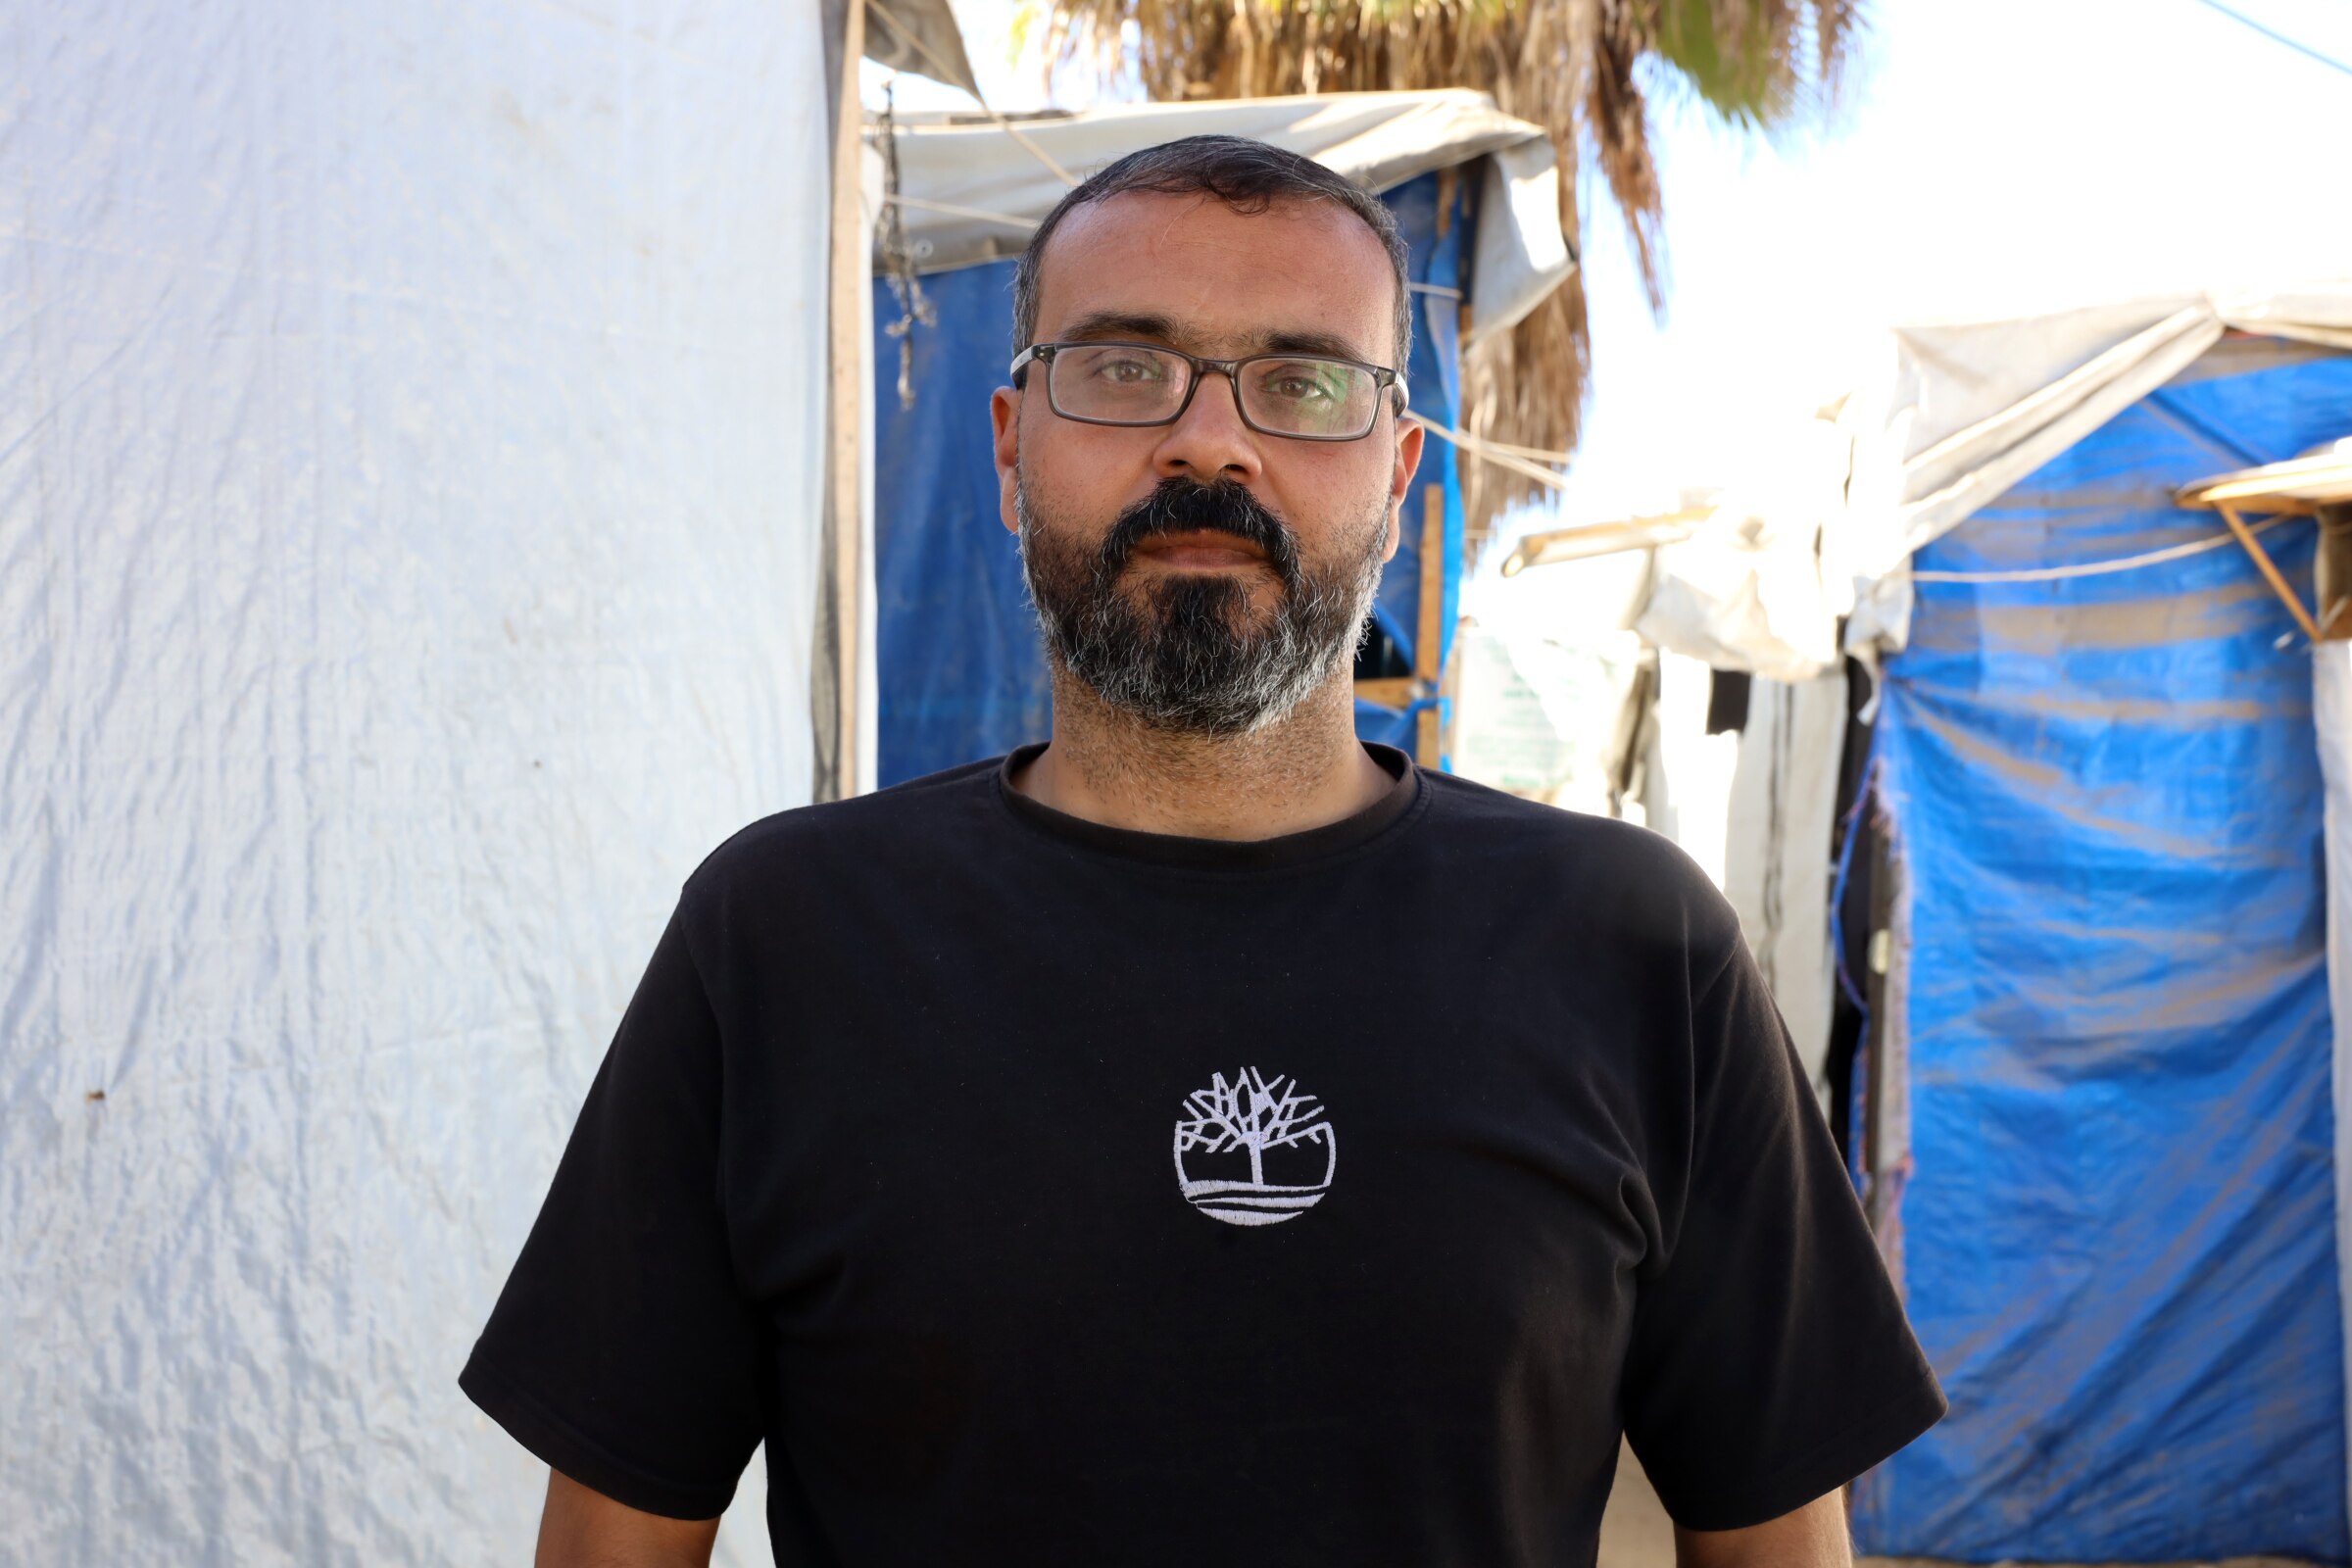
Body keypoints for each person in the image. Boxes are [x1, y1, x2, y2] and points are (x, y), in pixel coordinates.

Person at [460, 134, 1943, 1567]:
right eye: (1121, 368)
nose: (1211, 438)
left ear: (1399, 472)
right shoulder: (780, 936)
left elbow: (1772, 1538)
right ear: (1008, 445)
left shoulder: (1634, 947)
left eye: (1302, 382)